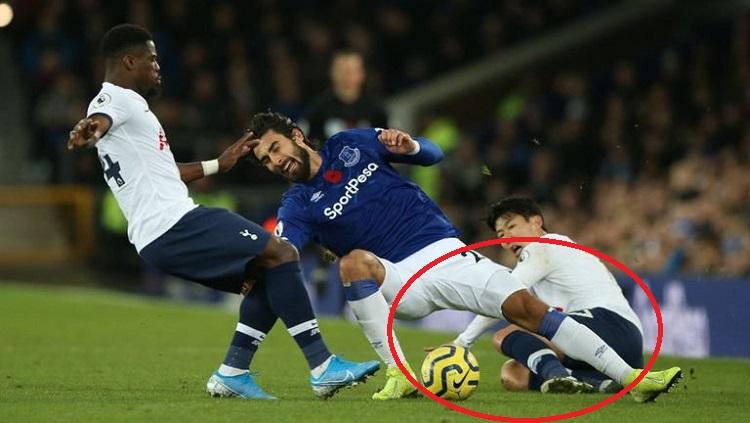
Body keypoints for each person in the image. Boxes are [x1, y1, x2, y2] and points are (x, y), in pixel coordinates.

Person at [246, 111, 681, 402]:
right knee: (352, 262)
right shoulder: (297, 205)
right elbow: (282, 251)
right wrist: (246, 261)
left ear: (296, 137)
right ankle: (400, 374)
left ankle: (633, 380)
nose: (275, 161)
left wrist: (410, 146)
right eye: (266, 160)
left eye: (276, 149)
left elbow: (433, 155)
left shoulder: (351, 144)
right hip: (400, 280)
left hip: (449, 254)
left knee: (529, 309)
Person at [66, 24, 379, 401]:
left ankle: (232, 373)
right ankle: (323, 366)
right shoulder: (117, 100)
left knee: (270, 273)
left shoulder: (129, 109)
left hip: (159, 235)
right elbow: (100, 119)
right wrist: (89, 129)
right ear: (129, 60)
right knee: (283, 252)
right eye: (152, 59)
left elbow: (165, 171)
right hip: (175, 224)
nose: (157, 66)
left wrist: (219, 163)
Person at [449, 197, 644, 394]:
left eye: (512, 226)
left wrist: (462, 343)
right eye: (500, 234)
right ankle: (597, 383)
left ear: (536, 222)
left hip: (612, 325)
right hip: (623, 347)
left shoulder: (543, 246)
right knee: (514, 374)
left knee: (505, 335)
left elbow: (501, 297)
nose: (506, 238)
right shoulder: (542, 265)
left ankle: (560, 376)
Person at [302, 50, 388, 144]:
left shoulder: (376, 109)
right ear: (331, 73)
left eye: (352, 70)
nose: (347, 76)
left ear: (362, 74)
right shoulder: (318, 108)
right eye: (341, 70)